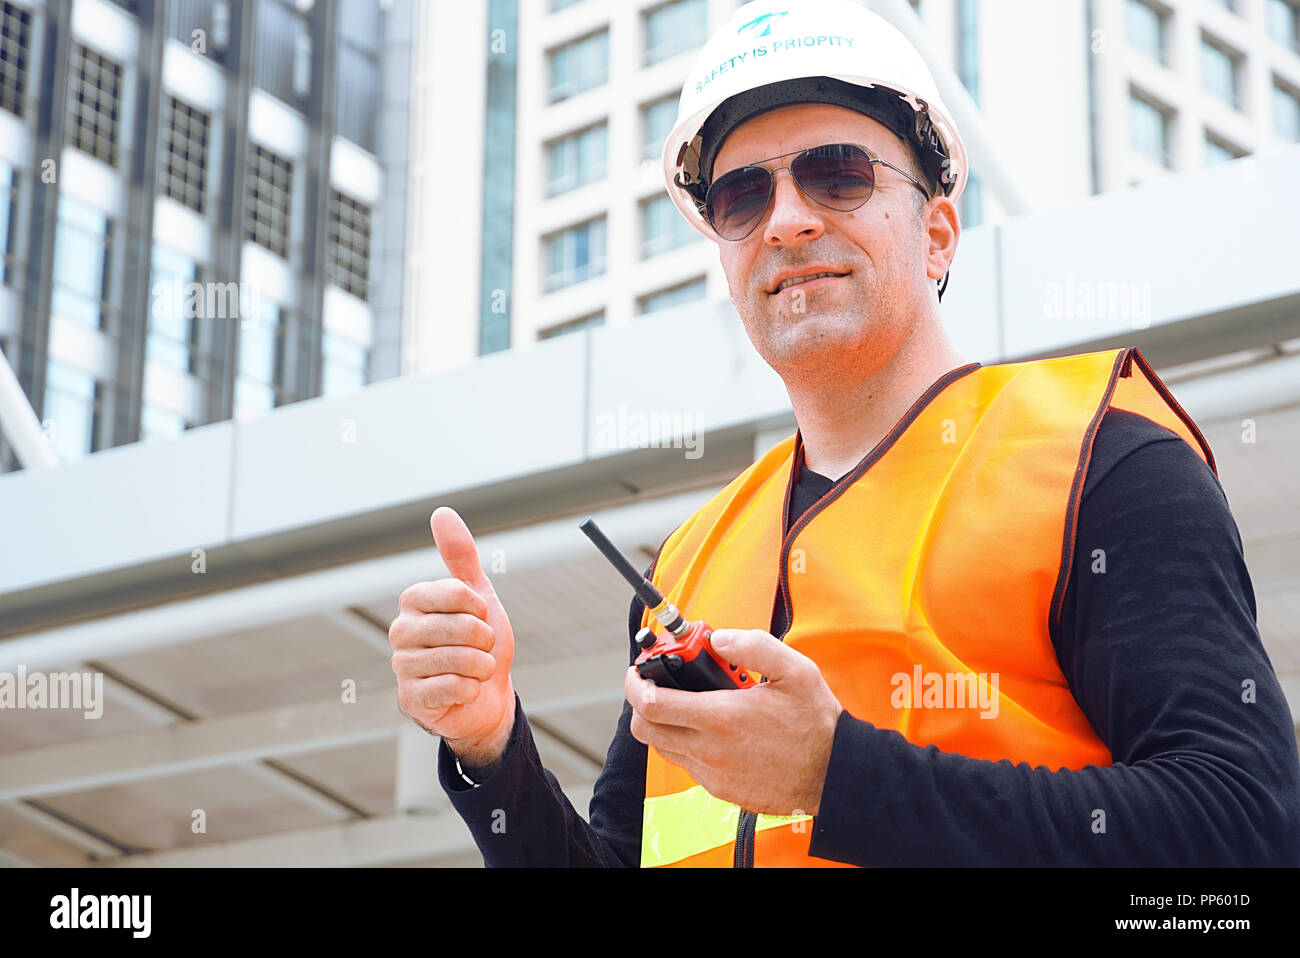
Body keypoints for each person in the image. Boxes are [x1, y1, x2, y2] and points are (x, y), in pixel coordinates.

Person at [387, 0, 1300, 866]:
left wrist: (839, 779)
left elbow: (1242, 840)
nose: (786, 220)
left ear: (938, 234)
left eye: (838, 174)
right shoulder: (688, 568)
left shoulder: (1100, 462)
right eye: (742, 197)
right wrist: (490, 746)